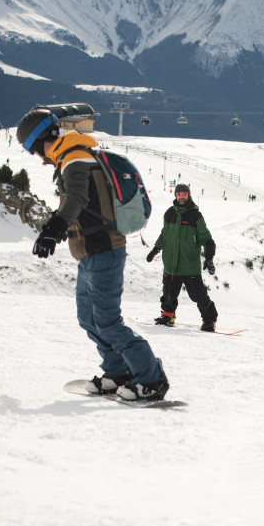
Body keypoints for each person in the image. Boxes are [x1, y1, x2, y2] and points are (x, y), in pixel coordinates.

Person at [16, 106, 169, 402]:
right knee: (88, 318)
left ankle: (150, 378)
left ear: (40, 142)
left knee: (108, 320)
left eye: (34, 151)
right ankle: (118, 372)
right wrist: (57, 227)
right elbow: (84, 205)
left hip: (104, 249)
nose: (38, 158)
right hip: (89, 252)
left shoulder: (75, 157)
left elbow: (77, 198)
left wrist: (54, 227)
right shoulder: (71, 156)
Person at [147, 183, 218, 331]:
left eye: (184, 194)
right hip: (171, 265)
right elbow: (164, 234)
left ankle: (209, 320)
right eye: (179, 194)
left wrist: (209, 256)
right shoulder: (169, 214)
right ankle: (167, 316)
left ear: (189, 195)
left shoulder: (195, 215)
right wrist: (155, 249)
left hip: (189, 265)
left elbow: (206, 237)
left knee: (199, 296)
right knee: (168, 294)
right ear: (175, 195)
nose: (181, 197)